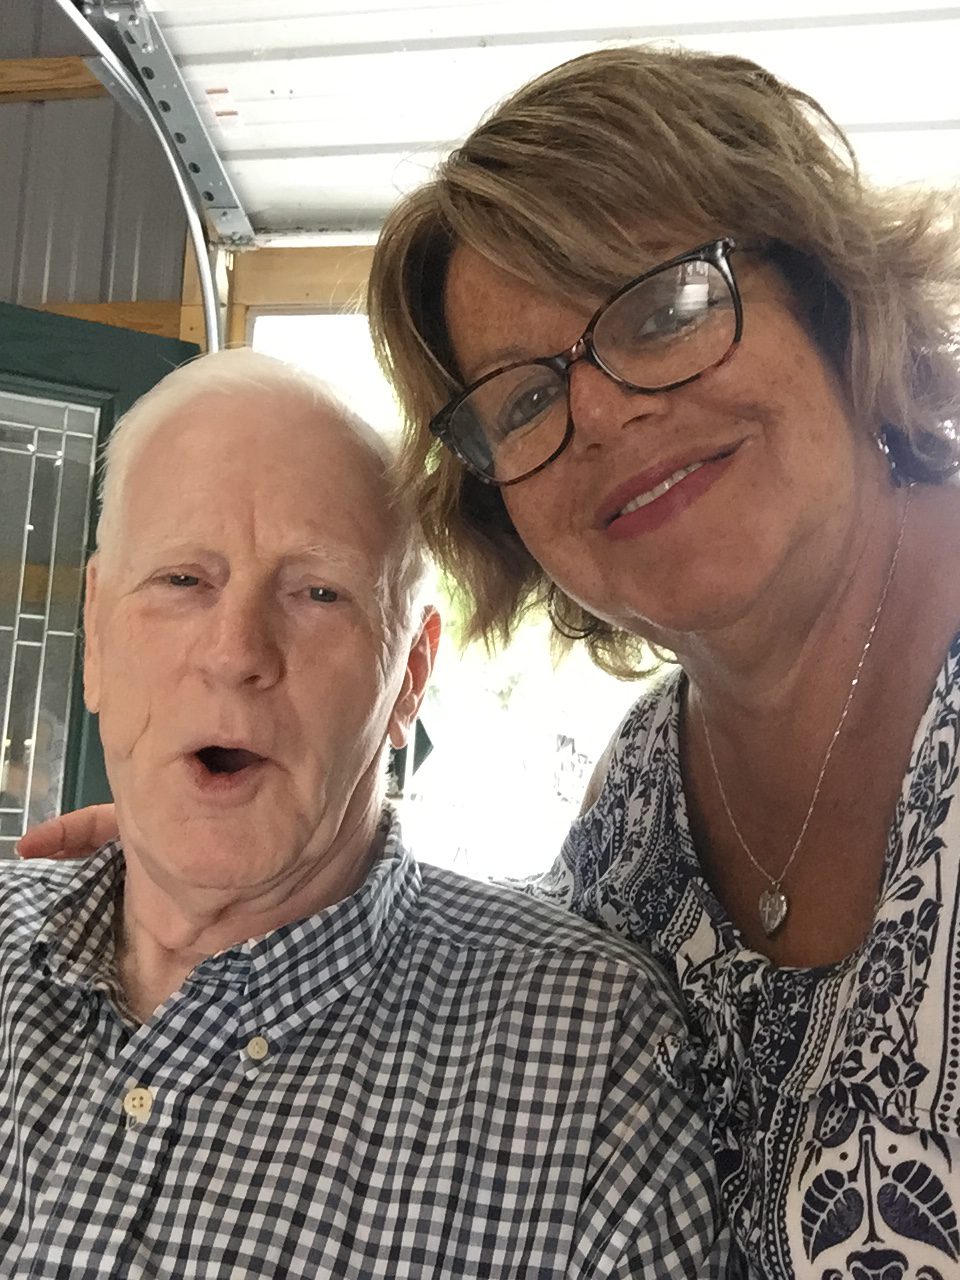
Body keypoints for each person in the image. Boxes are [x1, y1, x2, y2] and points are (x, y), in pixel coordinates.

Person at [24, 43, 960, 1280]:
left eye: (668, 303)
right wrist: (191, 851)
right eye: (522, 399)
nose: (607, 411)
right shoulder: (637, 821)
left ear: (828, 288)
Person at [2, 349, 735, 1277]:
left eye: (318, 593)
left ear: (410, 676)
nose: (236, 653)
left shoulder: (586, 1063)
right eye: (184, 580)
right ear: (96, 632)